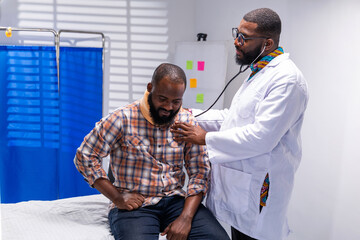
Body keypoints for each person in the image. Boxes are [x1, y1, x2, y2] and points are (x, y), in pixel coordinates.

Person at [171, 8, 309, 240]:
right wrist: (188, 114)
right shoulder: (259, 70)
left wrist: (203, 138)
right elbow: (233, 118)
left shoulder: (287, 81)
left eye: (244, 37)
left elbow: (261, 138)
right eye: (238, 33)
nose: (236, 41)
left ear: (267, 43)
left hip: (260, 188)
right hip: (242, 185)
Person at [74, 63, 230, 240]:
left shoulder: (186, 121)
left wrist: (185, 218)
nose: (169, 107)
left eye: (176, 101)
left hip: (175, 201)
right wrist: (117, 198)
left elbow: (199, 172)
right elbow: (85, 156)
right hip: (136, 205)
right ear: (150, 88)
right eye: (162, 99)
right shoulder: (122, 119)